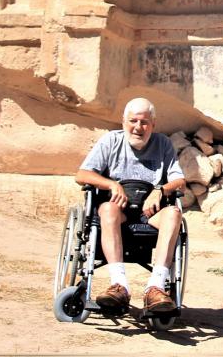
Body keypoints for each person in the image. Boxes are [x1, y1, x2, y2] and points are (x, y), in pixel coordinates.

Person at [75, 97, 186, 315]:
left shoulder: (162, 144)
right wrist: (111, 184)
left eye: (144, 122)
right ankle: (119, 285)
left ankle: (155, 287)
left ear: (153, 124)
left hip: (150, 213)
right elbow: (82, 174)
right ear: (123, 121)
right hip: (119, 211)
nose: (138, 127)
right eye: (133, 121)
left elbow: (180, 181)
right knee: (106, 209)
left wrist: (160, 190)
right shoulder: (110, 141)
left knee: (174, 213)